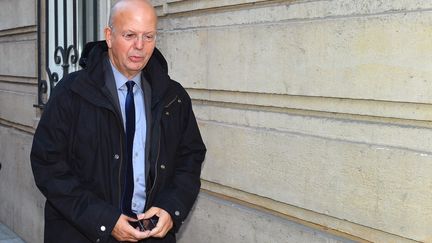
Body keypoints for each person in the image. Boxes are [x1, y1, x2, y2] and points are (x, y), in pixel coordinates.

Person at [30, 0, 206, 242]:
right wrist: (104, 220)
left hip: (152, 235)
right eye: (130, 35)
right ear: (109, 36)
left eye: (149, 36)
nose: (140, 46)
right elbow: (47, 165)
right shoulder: (71, 93)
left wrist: (171, 208)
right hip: (83, 233)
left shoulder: (173, 97)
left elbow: (191, 157)